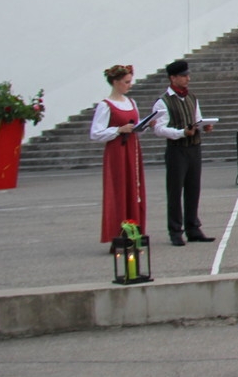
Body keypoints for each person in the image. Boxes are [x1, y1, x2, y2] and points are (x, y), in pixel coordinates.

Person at [152, 59, 214, 246]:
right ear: (173, 78)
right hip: (177, 150)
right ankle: (175, 230)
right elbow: (159, 129)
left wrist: (204, 126)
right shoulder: (163, 102)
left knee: (193, 189)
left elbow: (197, 119)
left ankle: (193, 227)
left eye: (187, 75)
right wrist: (180, 133)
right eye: (183, 76)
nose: (188, 78)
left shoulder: (191, 97)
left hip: (194, 147)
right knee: (175, 191)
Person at [89, 64, 147, 245]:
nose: (129, 85)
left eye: (130, 81)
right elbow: (95, 133)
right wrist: (118, 129)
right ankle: (119, 234)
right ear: (115, 82)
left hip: (132, 148)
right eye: (126, 82)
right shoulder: (105, 105)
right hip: (117, 152)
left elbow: (136, 126)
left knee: (134, 188)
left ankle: (134, 232)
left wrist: (143, 125)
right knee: (119, 190)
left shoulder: (131, 102)